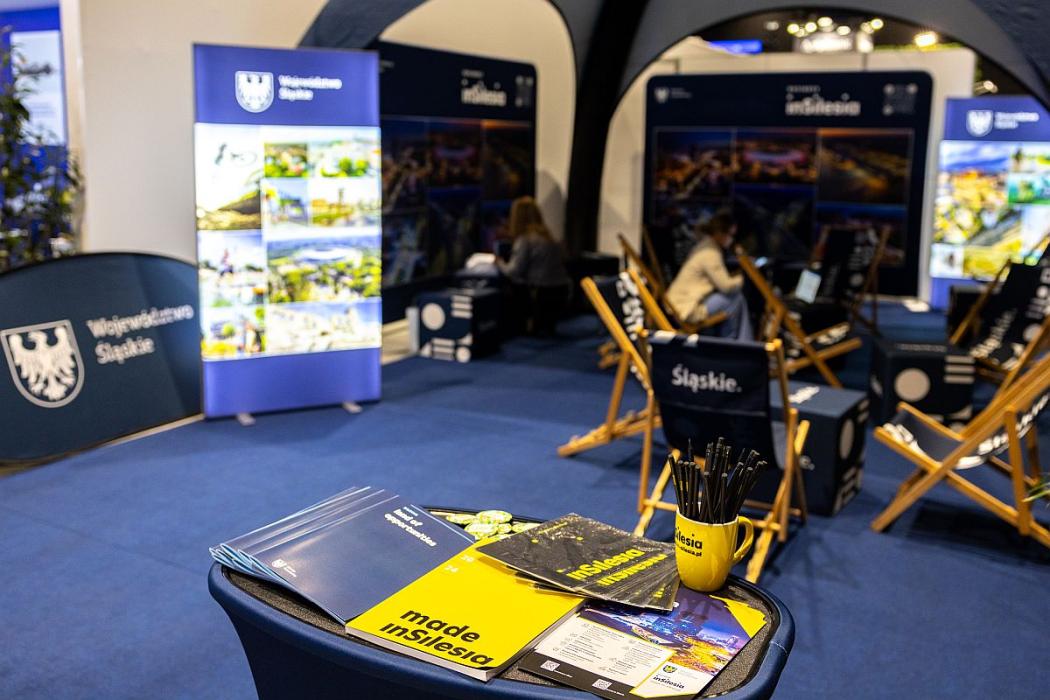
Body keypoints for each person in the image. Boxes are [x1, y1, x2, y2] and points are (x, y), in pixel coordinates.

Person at [666, 209, 753, 340]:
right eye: (730, 235)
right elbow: (726, 286)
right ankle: (735, 342)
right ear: (720, 233)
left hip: (678, 303)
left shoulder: (706, 245)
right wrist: (742, 278)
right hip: (686, 308)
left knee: (734, 299)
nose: (731, 239)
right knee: (736, 298)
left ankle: (740, 341)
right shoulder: (710, 253)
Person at [497, 196, 570, 336]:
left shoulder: (525, 240)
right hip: (561, 291)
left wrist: (498, 262)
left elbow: (513, 271)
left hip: (539, 296)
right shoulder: (549, 236)